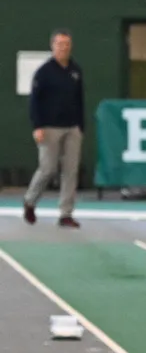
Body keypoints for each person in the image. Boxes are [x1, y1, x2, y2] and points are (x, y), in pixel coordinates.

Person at [23, 29, 86, 229]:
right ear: (53, 46)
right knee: (47, 169)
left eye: (67, 44)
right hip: (49, 127)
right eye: (60, 44)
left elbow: (80, 99)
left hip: (72, 128)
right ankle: (30, 201)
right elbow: (34, 101)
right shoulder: (44, 72)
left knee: (70, 171)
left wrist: (80, 126)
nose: (64, 48)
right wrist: (37, 126)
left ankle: (65, 213)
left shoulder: (75, 70)